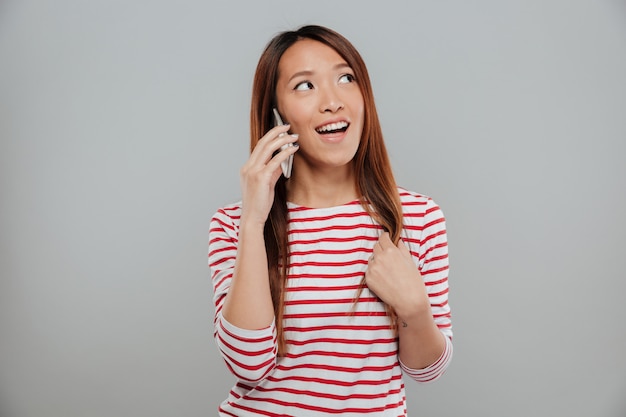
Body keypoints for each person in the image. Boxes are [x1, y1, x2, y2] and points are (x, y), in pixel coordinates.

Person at [208, 24, 453, 416]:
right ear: (276, 115)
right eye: (305, 86)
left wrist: (415, 308)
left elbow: (426, 370)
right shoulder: (234, 225)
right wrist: (254, 222)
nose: (333, 101)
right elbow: (247, 365)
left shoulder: (418, 218)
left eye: (346, 78)